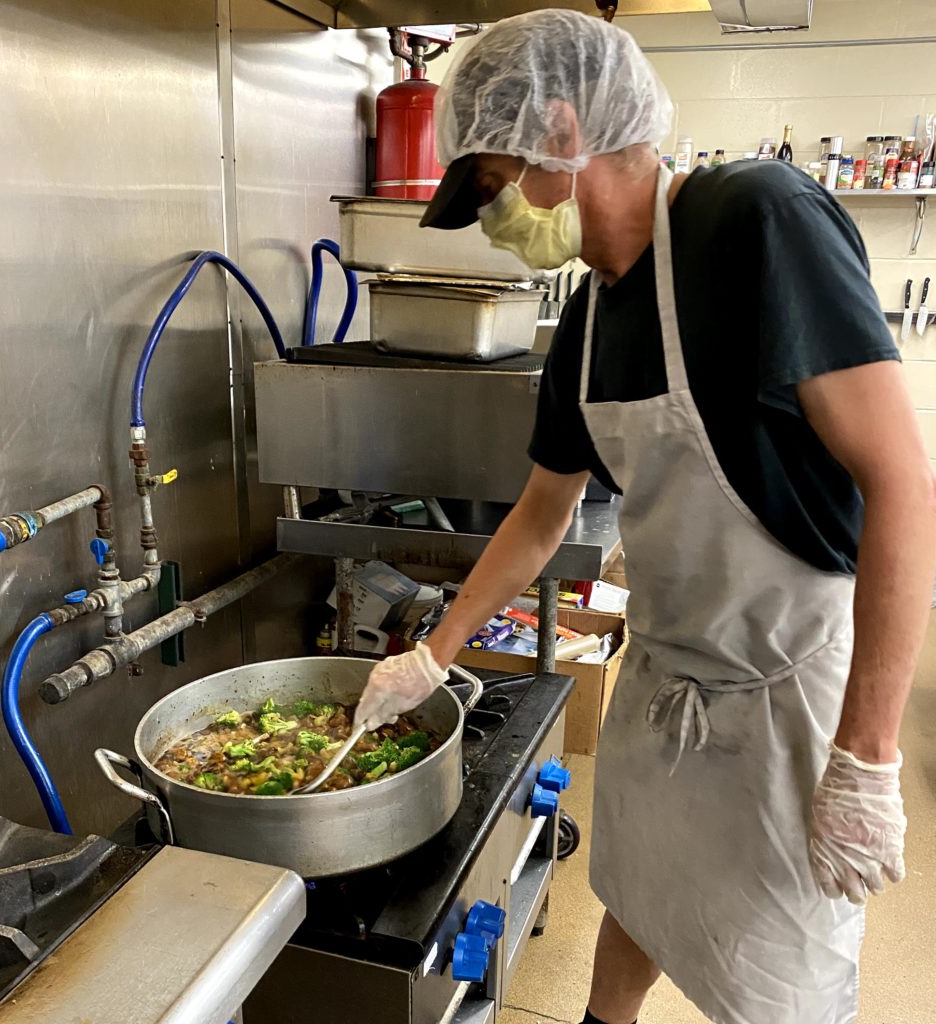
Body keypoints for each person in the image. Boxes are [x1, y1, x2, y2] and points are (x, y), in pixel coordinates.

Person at [352, 10, 936, 1024]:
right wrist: (434, 653)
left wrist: (866, 756)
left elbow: (902, 486)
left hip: (785, 688)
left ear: (564, 132)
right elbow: (543, 512)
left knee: (779, 968)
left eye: (496, 184)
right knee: (640, 884)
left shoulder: (755, 220)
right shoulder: (587, 315)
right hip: (665, 676)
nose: (496, 220)